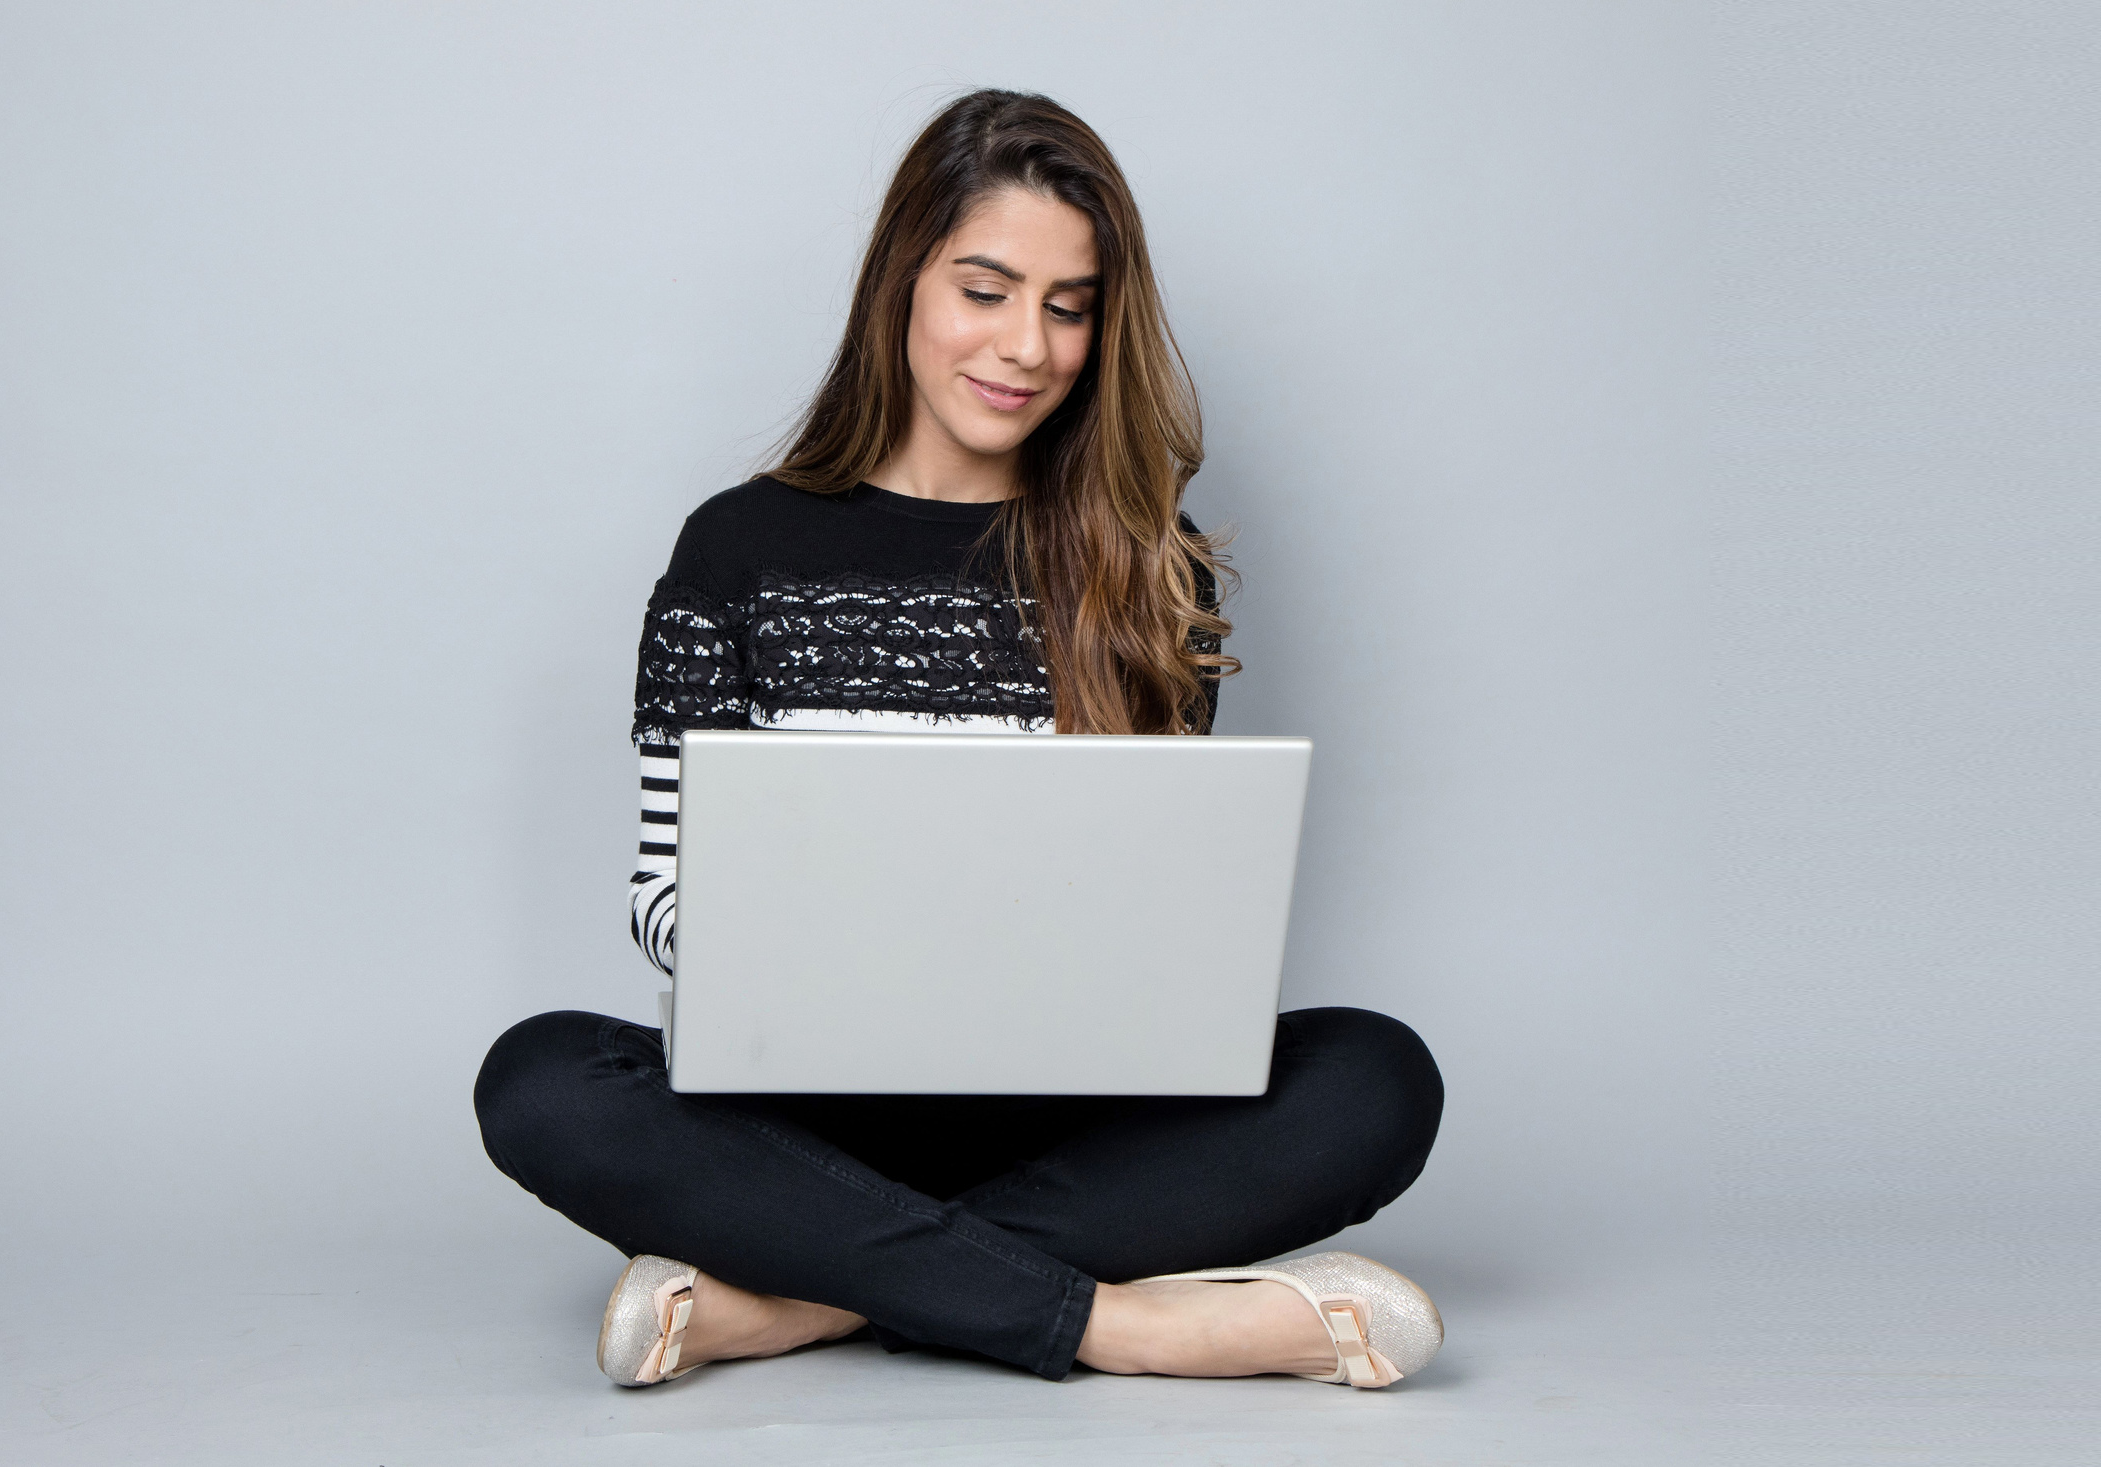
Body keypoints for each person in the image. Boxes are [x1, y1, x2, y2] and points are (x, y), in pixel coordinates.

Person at [470, 90, 1447, 1391]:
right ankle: (1122, 1324)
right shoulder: (734, 550)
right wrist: (808, 941)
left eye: (1068, 304)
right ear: (902, 284)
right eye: (985, 289)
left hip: (1071, 1121)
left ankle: (799, 1294)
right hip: (792, 1114)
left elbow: (1166, 918)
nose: (1027, 346)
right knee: (538, 1080)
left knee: (1379, 1078)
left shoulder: (1152, 570)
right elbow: (661, 896)